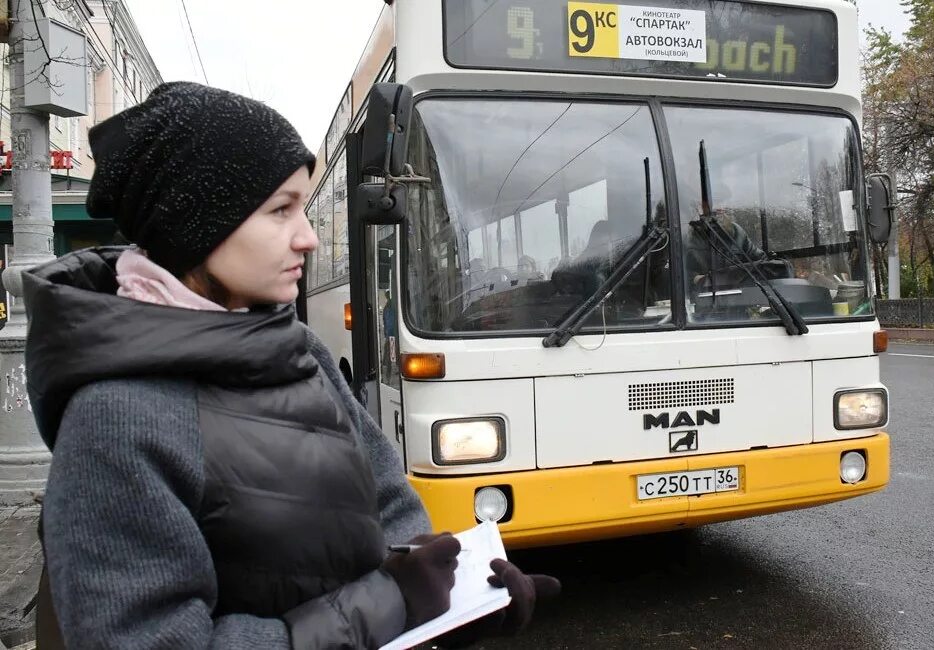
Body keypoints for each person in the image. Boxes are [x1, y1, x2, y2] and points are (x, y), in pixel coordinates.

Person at [23, 82, 558, 649]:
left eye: (303, 208)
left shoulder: (301, 348)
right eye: (281, 210)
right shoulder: (115, 417)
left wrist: (462, 595)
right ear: (195, 224)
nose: (308, 238)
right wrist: (390, 604)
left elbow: (391, 510)